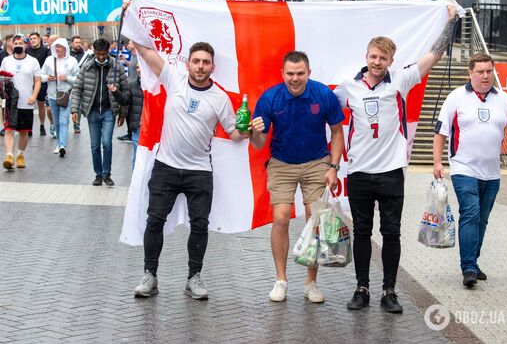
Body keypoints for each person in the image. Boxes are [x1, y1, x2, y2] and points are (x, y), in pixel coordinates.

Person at [334, 3, 457, 313]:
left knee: (391, 233)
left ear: (391, 61)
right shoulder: (348, 88)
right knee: (362, 232)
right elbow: (325, 113)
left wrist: (451, 21)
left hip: (391, 172)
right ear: (366, 57)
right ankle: (362, 288)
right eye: (373, 56)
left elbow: (435, 54)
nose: (377, 62)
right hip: (358, 172)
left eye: (383, 58)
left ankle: (389, 291)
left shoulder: (400, 80)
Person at [127, 35, 249, 299]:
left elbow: (234, 133)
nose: (201, 66)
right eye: (196, 61)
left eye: (206, 62)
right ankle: (150, 275)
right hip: (166, 167)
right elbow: (148, 53)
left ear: (212, 68)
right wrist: (131, 23)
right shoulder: (174, 79)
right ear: (188, 64)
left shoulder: (220, 98)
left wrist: (247, 130)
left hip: (199, 171)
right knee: (154, 220)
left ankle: (194, 277)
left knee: (200, 225)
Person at [433, 53, 507, 288]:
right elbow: (441, 132)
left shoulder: (503, 99)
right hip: (463, 168)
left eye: (489, 71)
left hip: (492, 173)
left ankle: (474, 260)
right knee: (470, 214)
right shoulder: (457, 98)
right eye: (480, 71)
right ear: (470, 73)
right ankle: (469, 267)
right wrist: (437, 162)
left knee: (482, 220)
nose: (485, 76)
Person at [250, 51, 344, 304]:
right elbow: (259, 144)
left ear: (309, 73)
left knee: (315, 220)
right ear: (282, 74)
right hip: (281, 162)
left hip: (316, 161)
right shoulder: (270, 98)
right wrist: (254, 133)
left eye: (300, 73)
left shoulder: (323, 94)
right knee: (280, 218)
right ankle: (281, 280)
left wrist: (333, 166)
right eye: (290, 74)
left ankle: (311, 283)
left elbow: (337, 132)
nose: (295, 78)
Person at [70, 38, 129, 186]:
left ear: (108, 51)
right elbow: (77, 89)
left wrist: (123, 113)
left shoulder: (116, 67)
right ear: (94, 52)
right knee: (95, 145)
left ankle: (107, 174)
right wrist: (74, 109)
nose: (101, 57)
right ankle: (98, 174)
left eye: (103, 53)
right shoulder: (87, 67)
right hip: (93, 111)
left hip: (109, 110)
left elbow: (125, 91)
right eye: (98, 53)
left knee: (107, 142)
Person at [1, 35, 42, 170]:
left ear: (26, 45)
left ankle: (20, 155)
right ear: (12, 45)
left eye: (21, 43)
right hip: (9, 102)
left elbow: (37, 81)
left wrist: (34, 96)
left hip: (26, 101)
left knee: (23, 132)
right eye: (16, 43)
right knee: (9, 130)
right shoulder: (6, 61)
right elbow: (1, 79)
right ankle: (9, 156)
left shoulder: (33, 61)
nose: (18, 45)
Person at [40, 38, 79, 158]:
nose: (57, 49)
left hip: (66, 95)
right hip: (52, 94)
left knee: (64, 120)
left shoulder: (72, 61)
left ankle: (63, 145)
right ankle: (59, 143)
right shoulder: (49, 60)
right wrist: (48, 78)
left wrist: (67, 78)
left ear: (65, 48)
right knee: (56, 121)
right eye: (56, 47)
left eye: (60, 47)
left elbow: (77, 79)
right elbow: (41, 76)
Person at [27, 32, 53, 137]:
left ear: (39, 39)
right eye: (31, 39)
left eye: (34, 38)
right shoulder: (26, 51)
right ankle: (29, 127)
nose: (32, 40)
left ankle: (42, 125)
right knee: (29, 104)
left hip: (42, 80)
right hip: (29, 81)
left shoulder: (46, 51)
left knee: (41, 104)